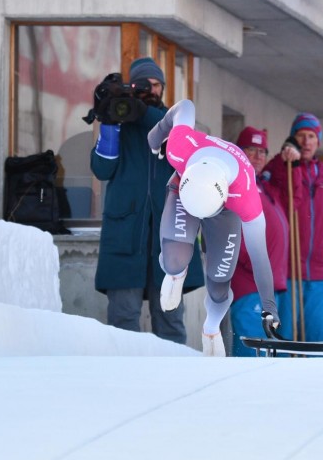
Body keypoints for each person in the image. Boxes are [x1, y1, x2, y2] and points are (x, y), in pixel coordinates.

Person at [147, 100, 281, 356]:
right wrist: (156, 136)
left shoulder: (246, 197)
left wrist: (268, 306)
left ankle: (211, 326)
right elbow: (184, 106)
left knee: (219, 282)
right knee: (175, 258)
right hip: (184, 190)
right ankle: (175, 272)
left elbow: (259, 257)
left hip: (225, 211)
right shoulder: (179, 148)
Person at [89, 57, 204, 344]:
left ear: (163, 89)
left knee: (169, 318)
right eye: (144, 85)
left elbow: (184, 146)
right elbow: (102, 169)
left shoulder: (178, 119)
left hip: (168, 237)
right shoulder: (121, 122)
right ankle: (125, 382)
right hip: (125, 235)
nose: (150, 91)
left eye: (155, 85)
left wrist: (142, 113)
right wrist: (109, 123)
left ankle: (174, 380)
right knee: (123, 318)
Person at [263, 113, 323, 342]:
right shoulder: (280, 167)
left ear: (318, 141)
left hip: (321, 275)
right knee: (286, 339)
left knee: (318, 341)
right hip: (288, 273)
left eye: (311, 136)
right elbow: (280, 203)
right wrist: (289, 162)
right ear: (293, 139)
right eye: (301, 136)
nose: (306, 142)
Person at [230, 127, 291, 356]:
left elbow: (283, 175)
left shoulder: (264, 187)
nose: (257, 157)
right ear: (239, 152)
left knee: (273, 354)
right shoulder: (235, 184)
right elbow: (234, 234)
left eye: (262, 151)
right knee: (252, 352)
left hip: (270, 287)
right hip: (250, 284)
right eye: (251, 150)